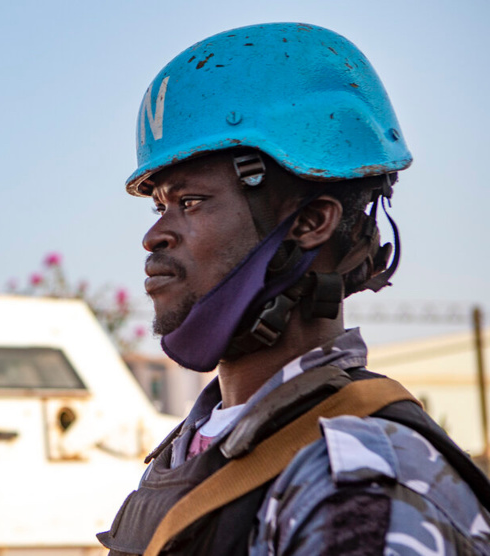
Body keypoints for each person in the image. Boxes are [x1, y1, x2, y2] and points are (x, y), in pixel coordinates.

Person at [97, 23, 490, 555]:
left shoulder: (359, 481)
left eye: (190, 202)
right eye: (159, 205)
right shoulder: (200, 443)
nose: (154, 235)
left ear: (311, 223)